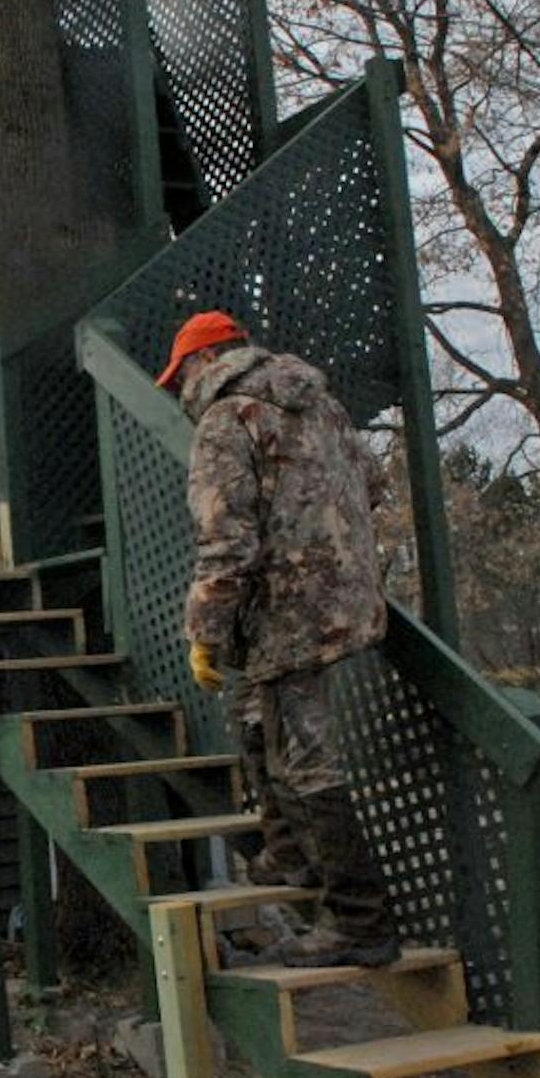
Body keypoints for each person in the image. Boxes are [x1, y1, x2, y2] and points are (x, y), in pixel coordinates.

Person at [156, 311, 402, 968]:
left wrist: (204, 631)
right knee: (253, 718)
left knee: (306, 756)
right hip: (350, 596)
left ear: (200, 363)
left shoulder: (226, 419)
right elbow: (371, 485)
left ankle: (359, 920)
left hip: (288, 610)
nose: (178, 393)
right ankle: (288, 856)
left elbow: (226, 540)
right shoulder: (322, 405)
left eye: (177, 378)